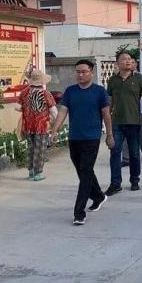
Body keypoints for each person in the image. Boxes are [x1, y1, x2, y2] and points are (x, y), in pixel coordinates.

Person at [50, 60, 113, 226]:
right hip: (74, 137)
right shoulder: (70, 91)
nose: (80, 75)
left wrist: (110, 135)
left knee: (85, 173)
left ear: (91, 72)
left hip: (92, 138)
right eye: (78, 72)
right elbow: (63, 111)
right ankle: (99, 196)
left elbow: (106, 115)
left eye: (84, 71)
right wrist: (55, 130)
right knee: (84, 171)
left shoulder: (99, 92)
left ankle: (79, 213)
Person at [105, 51, 142, 196]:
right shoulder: (113, 80)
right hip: (117, 123)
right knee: (115, 153)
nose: (128, 61)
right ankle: (115, 183)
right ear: (117, 63)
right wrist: (107, 121)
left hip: (134, 122)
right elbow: (110, 102)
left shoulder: (138, 78)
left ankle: (135, 180)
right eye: (124, 59)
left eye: (130, 59)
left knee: (134, 154)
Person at [18, 69, 57, 181]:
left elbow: (17, 108)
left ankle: (31, 171)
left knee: (31, 148)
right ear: (42, 81)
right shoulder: (45, 93)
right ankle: (37, 173)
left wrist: (28, 108)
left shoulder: (24, 92)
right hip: (41, 126)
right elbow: (54, 111)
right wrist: (57, 123)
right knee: (40, 149)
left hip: (28, 126)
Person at [121, 97, 142, 165]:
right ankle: (126, 158)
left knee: (141, 134)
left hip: (139, 112)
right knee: (125, 134)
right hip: (126, 113)